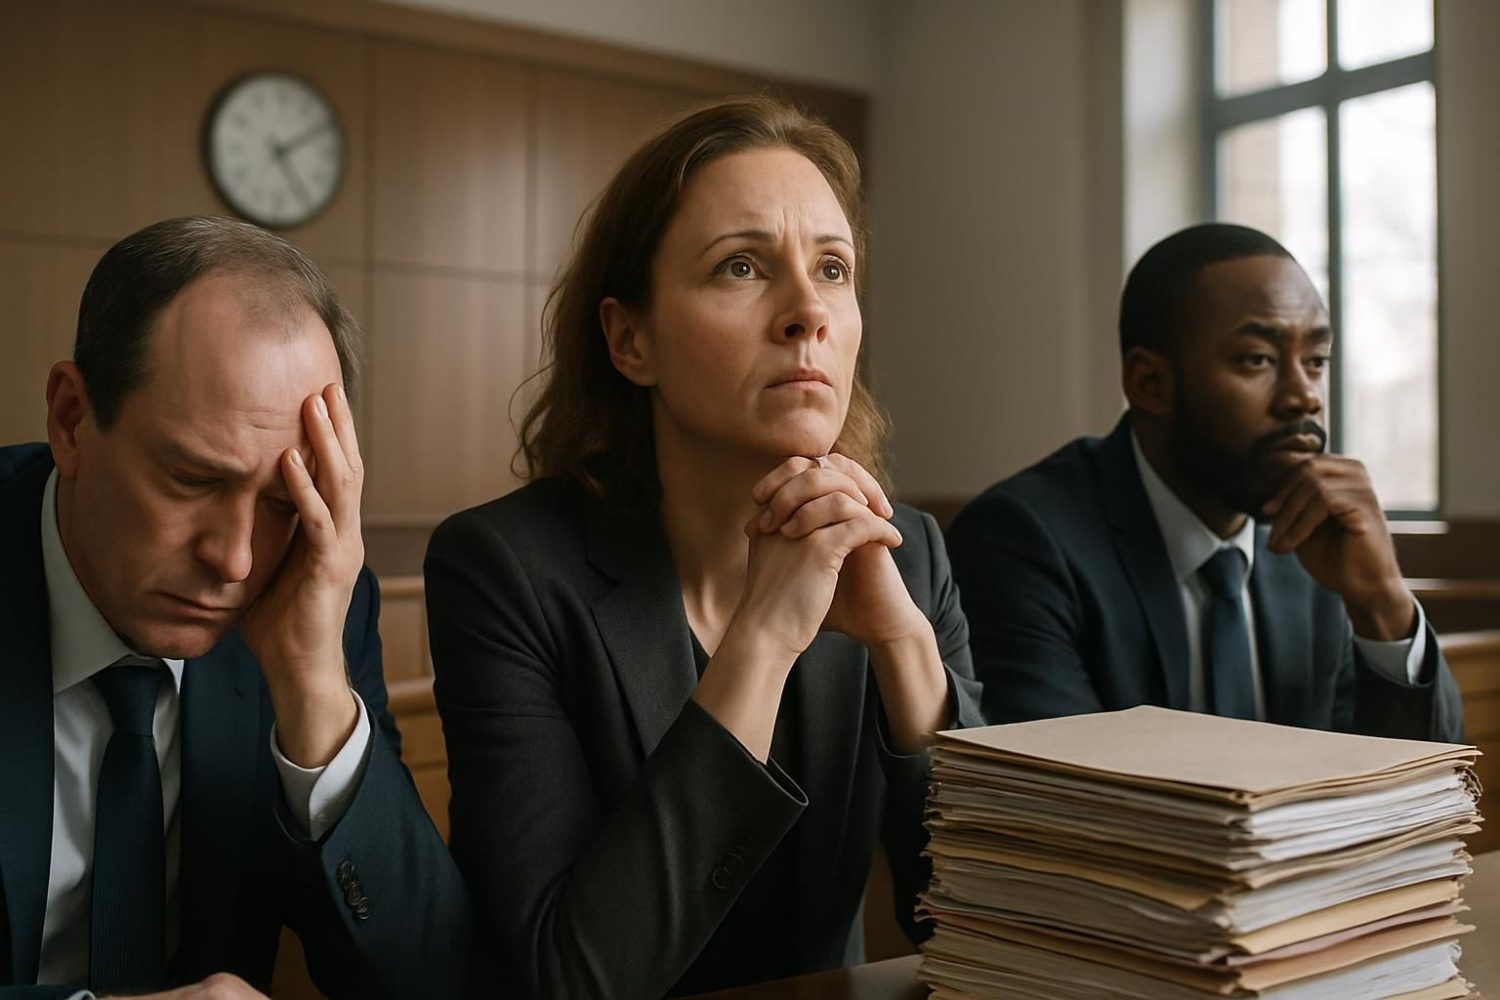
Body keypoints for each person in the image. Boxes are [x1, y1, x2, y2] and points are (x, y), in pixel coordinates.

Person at [424, 97, 984, 999]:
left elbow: (997, 923)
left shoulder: (908, 550)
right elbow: (567, 979)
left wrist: (908, 652)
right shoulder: (505, 572)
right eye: (741, 267)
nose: (809, 312)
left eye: (834, 270)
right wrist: (759, 643)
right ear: (630, 339)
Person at [0, 217, 469, 999]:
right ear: (72, 420)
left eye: (284, 502)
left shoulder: (315, 602)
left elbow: (428, 978)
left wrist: (314, 690)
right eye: (192, 479)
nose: (237, 559)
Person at [946, 223, 1463, 740]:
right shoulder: (1022, 539)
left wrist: (1382, 602)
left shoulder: (1319, 538)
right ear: (1150, 384)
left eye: (1315, 362)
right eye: (1257, 359)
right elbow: (1072, 795)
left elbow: (1427, 793)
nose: (1304, 397)